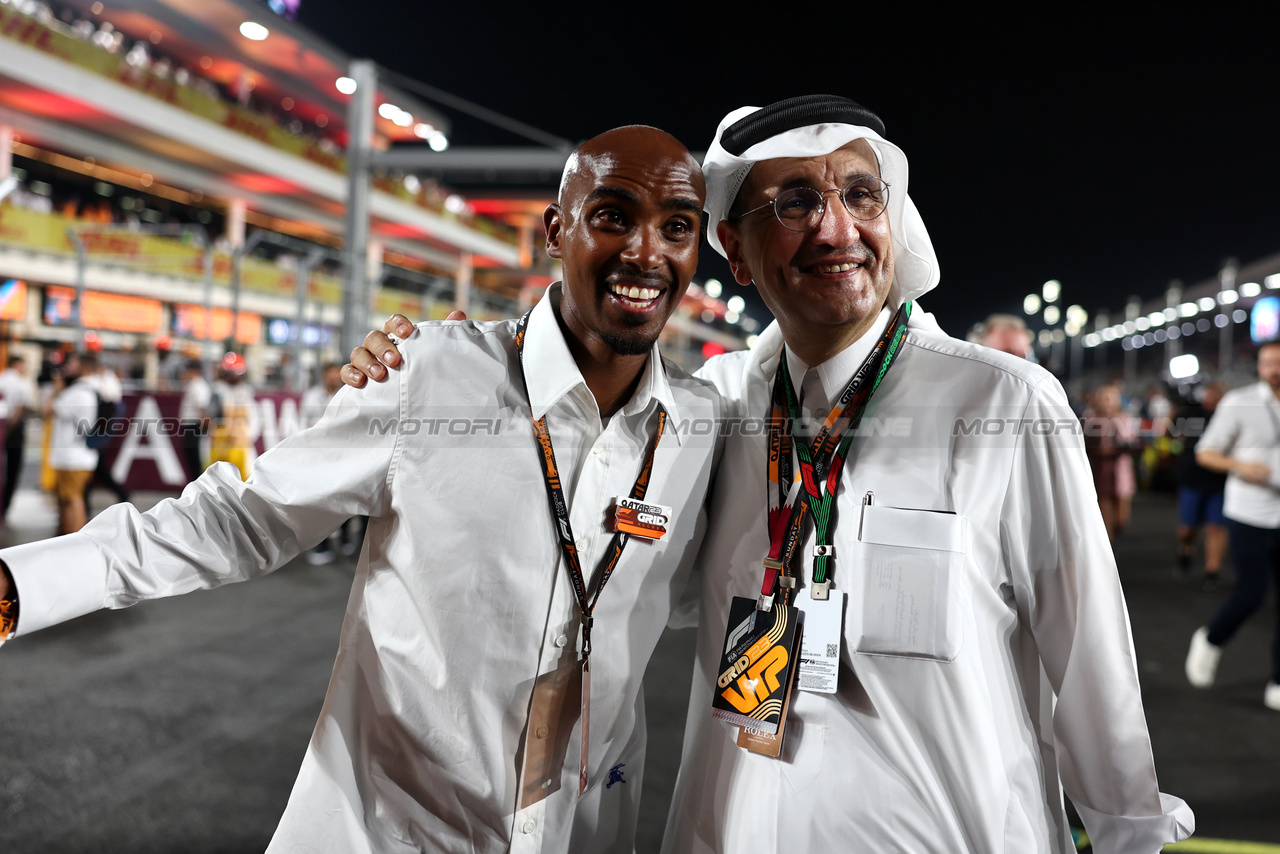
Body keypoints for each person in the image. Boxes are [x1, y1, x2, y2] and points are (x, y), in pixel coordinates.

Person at [347, 95, 1192, 853]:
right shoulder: (706, 409)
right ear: (737, 253)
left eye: (860, 196)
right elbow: (586, 491)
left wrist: (1129, 833)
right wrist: (456, 367)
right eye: (795, 203)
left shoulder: (1001, 402)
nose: (835, 229)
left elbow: (1091, 656)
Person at [0, 125, 720, 853]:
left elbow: (709, 592)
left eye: (678, 228)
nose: (645, 251)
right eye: (613, 216)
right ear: (555, 233)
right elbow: (243, 521)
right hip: (388, 833)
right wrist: (20, 582)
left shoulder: (704, 428)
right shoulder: (427, 374)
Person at [1184, 342, 1280, 712]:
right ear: (1259, 366)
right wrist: (1242, 467)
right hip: (1249, 513)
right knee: (1252, 593)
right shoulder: (1240, 402)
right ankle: (1210, 639)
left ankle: (1277, 680)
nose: (1274, 369)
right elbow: (1206, 451)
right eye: (1268, 362)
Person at [300, 362, 354, 565]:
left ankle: (346, 538)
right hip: (318, 457)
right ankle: (320, 545)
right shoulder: (312, 396)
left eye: (336, 375)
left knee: (345, 499)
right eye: (330, 375)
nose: (333, 379)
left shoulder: (349, 394)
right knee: (319, 503)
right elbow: (306, 425)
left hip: (343, 456)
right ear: (323, 376)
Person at [1175, 381, 1228, 589]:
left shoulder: (1227, 417)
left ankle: (1212, 571)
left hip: (1219, 481)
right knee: (1188, 529)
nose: (1211, 399)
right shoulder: (1189, 414)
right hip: (1192, 479)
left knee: (1216, 528)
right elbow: (1171, 431)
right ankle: (1185, 549)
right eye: (1208, 395)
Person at [43, 352, 98, 534]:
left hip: (73, 456)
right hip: (78, 454)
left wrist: (57, 388)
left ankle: (75, 539)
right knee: (68, 500)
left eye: (72, 363)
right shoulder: (90, 389)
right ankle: (69, 537)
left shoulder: (78, 393)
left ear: (84, 367)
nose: (67, 367)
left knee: (73, 499)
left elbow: (47, 410)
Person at [1084, 381, 1140, 541]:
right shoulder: (1090, 418)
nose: (1106, 402)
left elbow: (1132, 443)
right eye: (1103, 398)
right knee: (1104, 507)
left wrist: (1114, 448)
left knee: (1122, 517)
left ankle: (1114, 533)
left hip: (1120, 468)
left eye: (1110, 398)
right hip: (1099, 468)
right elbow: (1085, 442)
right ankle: (1109, 543)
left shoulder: (1125, 419)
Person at [81, 358, 130, 510]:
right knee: (94, 466)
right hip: (100, 426)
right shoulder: (101, 381)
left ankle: (120, 493)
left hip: (100, 427)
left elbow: (110, 404)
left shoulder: (106, 381)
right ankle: (86, 502)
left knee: (96, 466)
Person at [206, 351, 257, 481]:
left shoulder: (245, 391)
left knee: (242, 477)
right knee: (216, 477)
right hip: (221, 442)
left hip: (240, 443)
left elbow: (253, 417)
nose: (235, 377)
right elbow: (210, 417)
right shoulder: (217, 390)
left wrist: (248, 434)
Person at [0, 355, 32, 522]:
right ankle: (5, 508)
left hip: (2, 427)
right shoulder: (22, 383)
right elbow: (20, 409)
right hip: (14, 430)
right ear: (17, 364)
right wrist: (9, 428)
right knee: (13, 468)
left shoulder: (1, 378)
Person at [176, 359, 212, 481]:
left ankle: (198, 485)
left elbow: (203, 408)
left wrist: (205, 429)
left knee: (196, 458)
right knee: (191, 457)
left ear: (195, 372)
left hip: (195, 425)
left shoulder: (199, 386)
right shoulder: (193, 385)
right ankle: (194, 483)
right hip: (190, 425)